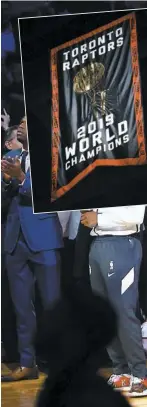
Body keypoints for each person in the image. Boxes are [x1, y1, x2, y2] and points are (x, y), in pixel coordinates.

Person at [1, 117, 63, 382]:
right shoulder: (10, 155)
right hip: (15, 240)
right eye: (21, 122)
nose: (22, 125)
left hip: (44, 238)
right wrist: (7, 182)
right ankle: (28, 363)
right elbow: (6, 195)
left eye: (27, 121)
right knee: (22, 307)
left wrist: (21, 178)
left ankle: (60, 363)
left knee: (52, 307)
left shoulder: (53, 156)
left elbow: (52, 192)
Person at [81, 205, 147, 397]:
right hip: (97, 242)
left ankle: (140, 374)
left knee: (123, 310)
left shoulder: (129, 176)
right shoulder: (98, 177)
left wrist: (100, 218)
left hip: (123, 244)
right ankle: (121, 370)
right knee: (103, 312)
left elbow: (137, 216)